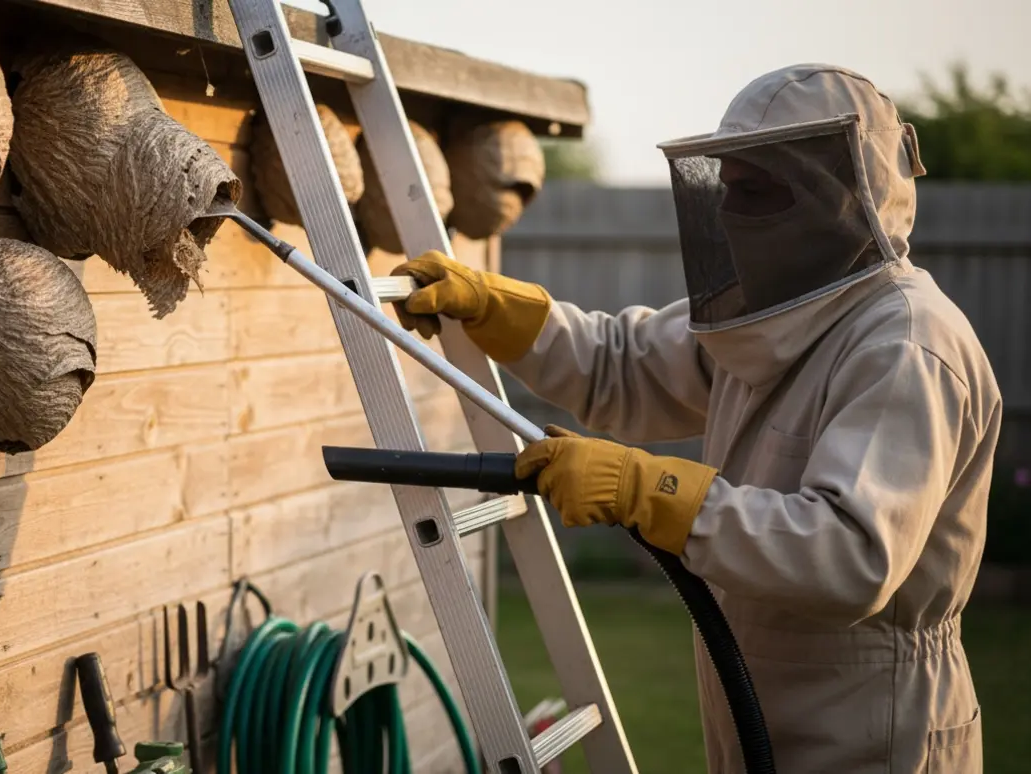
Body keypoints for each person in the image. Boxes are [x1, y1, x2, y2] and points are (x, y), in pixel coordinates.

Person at [391, 64, 1001, 774]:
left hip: (874, 721)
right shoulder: (774, 316)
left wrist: (651, 492)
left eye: (754, 193)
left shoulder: (904, 343)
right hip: (761, 697)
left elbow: (848, 555)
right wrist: (500, 310)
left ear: (834, 197)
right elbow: (621, 365)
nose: (729, 214)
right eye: (727, 189)